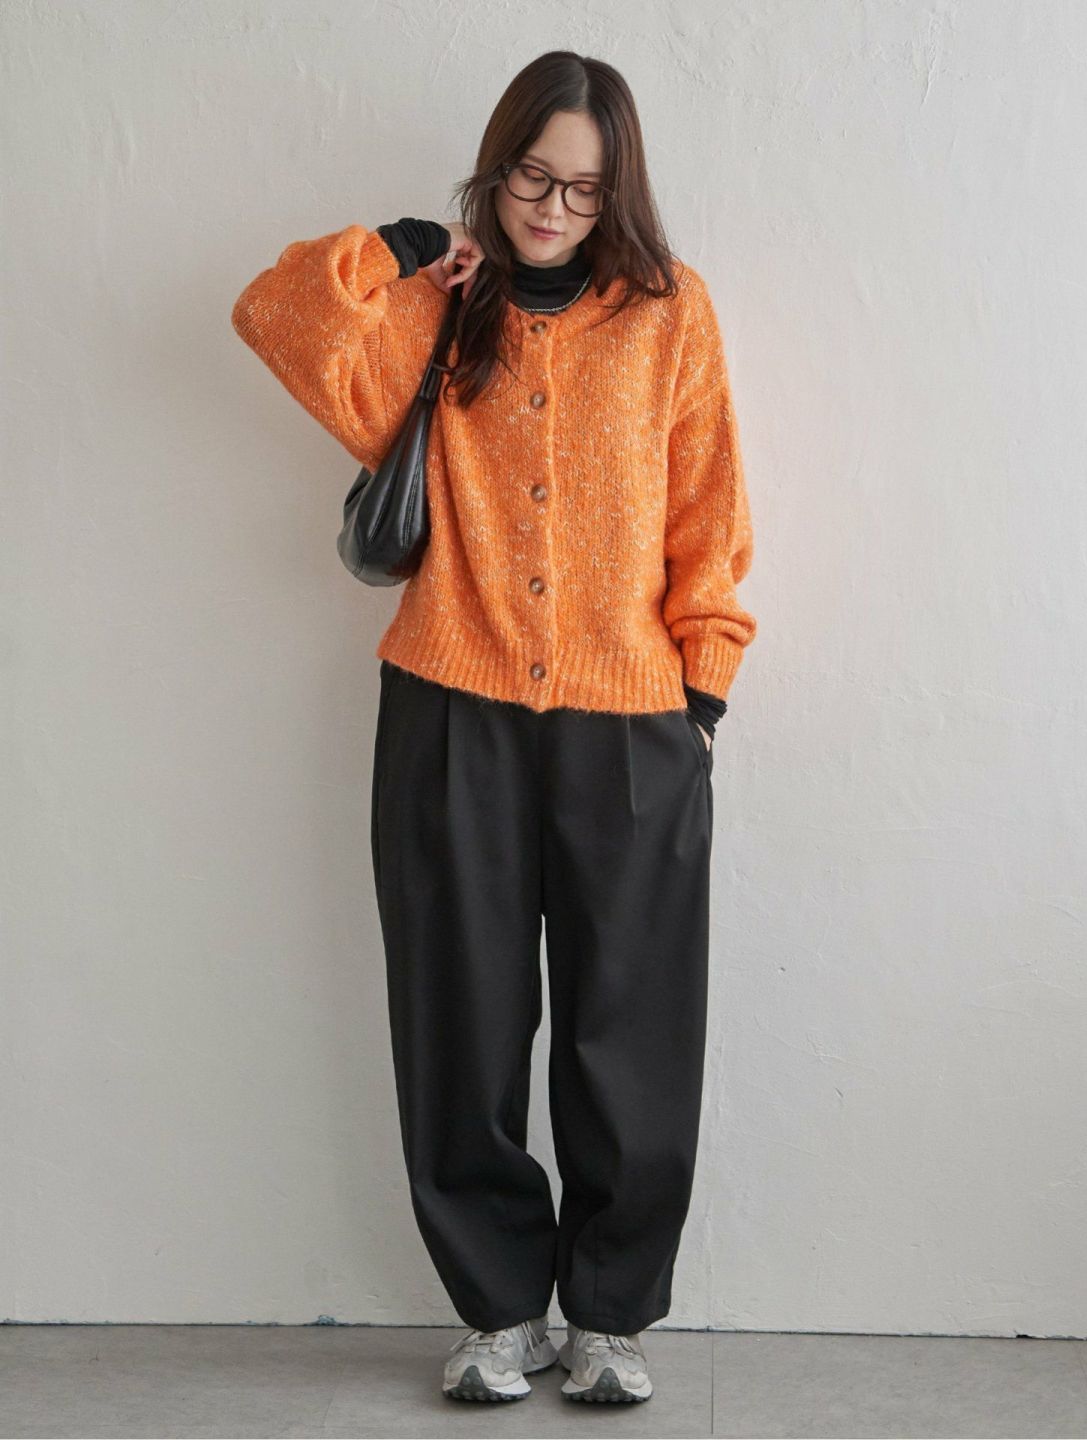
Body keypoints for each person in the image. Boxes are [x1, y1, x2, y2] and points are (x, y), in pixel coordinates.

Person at [231, 49, 756, 1406]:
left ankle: (612, 1318)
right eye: (531, 175)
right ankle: (500, 1309)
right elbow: (277, 313)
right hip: (449, 705)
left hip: (633, 719)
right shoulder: (437, 308)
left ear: (616, 191)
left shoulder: (670, 313)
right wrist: (405, 246)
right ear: (498, 163)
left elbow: (708, 503)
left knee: (629, 1025)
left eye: (583, 188)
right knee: (458, 1014)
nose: (552, 209)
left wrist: (702, 687)